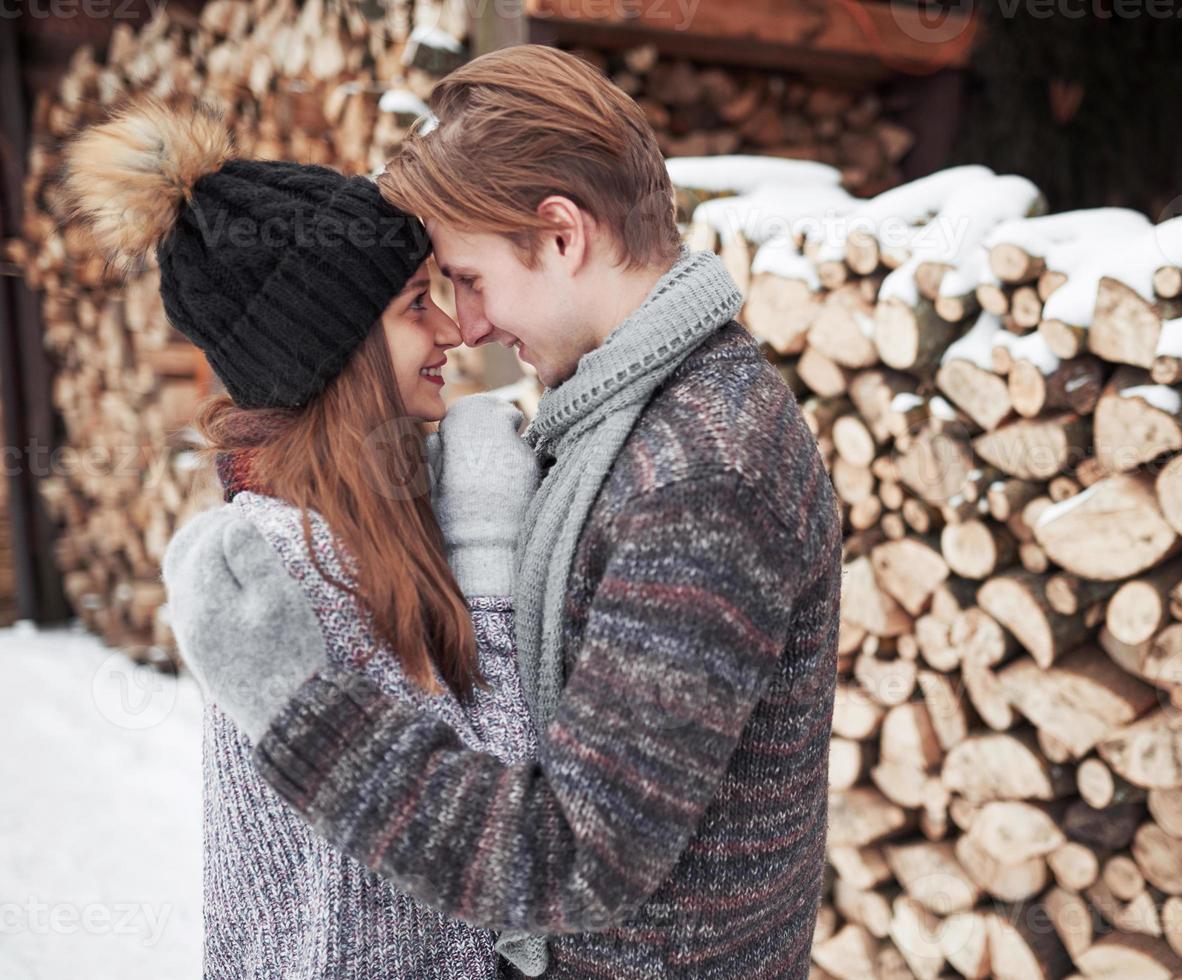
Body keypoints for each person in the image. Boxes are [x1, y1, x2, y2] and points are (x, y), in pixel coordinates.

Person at [164, 45, 844, 979]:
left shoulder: (701, 472)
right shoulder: (620, 420)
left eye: (469, 279)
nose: (467, 326)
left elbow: (575, 859)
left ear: (560, 236)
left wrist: (307, 719)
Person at [65, 100, 550, 977]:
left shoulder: (363, 528)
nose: (449, 329)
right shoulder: (289, 565)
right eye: (413, 306)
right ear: (337, 352)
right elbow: (493, 845)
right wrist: (486, 547)